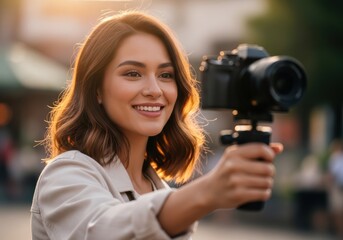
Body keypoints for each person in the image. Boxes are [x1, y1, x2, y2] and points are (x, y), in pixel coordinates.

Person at [30, 11, 283, 239]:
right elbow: (101, 231)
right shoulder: (66, 174)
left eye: (166, 75)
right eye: (132, 73)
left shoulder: (157, 187)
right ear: (96, 89)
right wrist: (206, 192)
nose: (154, 90)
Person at [327, 139, 343, 238]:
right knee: (337, 210)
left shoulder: (336, 158)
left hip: (338, 187)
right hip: (338, 187)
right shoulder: (336, 158)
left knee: (338, 210)